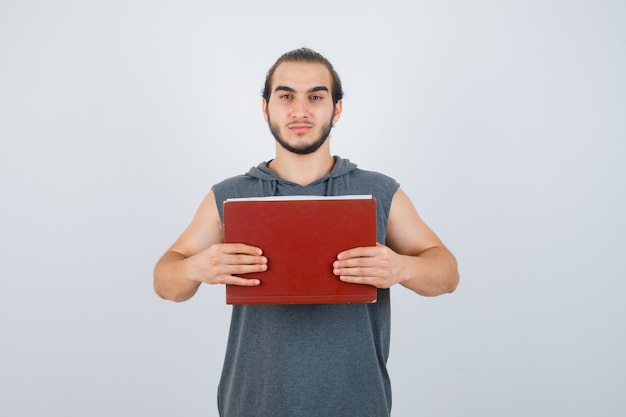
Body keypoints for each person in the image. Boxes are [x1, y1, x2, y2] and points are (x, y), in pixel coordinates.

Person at [154, 47, 459, 417]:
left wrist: (402, 268)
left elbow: (447, 273)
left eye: (316, 96)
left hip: (358, 405)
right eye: (286, 96)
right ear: (265, 108)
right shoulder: (230, 195)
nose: (300, 111)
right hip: (252, 405)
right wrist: (194, 268)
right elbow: (164, 281)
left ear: (337, 109)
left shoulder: (380, 192)